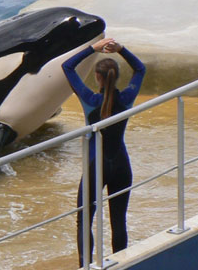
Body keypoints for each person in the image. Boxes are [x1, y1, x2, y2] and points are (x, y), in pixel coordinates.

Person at [61, 37, 146, 266]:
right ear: (116, 76)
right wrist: (122, 50)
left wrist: (92, 49)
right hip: (121, 165)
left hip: (94, 166)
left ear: (97, 78)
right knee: (118, 220)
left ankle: (86, 266)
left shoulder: (90, 100)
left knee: (84, 220)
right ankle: (121, 264)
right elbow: (140, 68)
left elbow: (67, 67)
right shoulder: (126, 98)